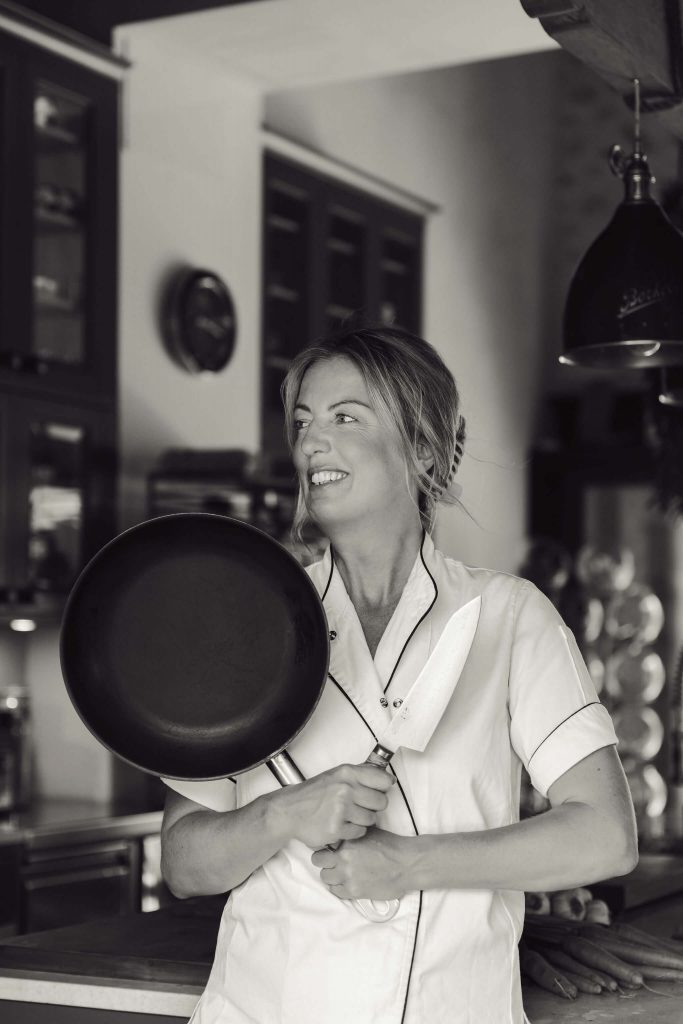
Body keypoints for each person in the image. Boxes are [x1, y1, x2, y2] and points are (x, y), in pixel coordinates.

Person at [160, 322, 638, 1024]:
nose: (310, 442)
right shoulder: (246, 622)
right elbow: (183, 862)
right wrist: (282, 814)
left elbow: (604, 835)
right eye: (302, 420)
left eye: (345, 417)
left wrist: (407, 863)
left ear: (422, 449)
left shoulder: (507, 617)